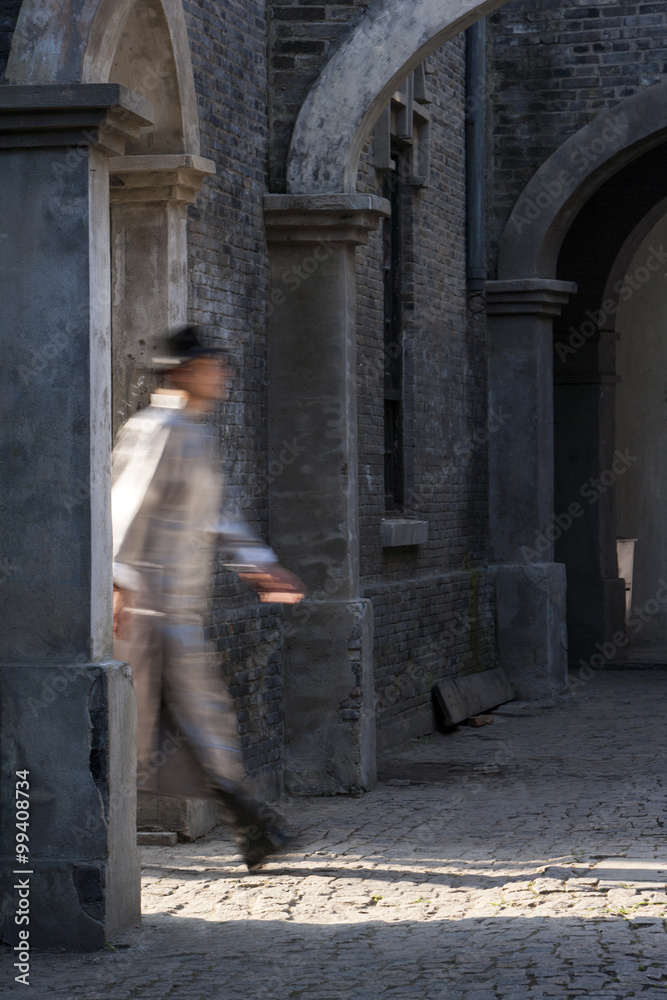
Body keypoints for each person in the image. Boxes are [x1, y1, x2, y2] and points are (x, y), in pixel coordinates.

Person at [112, 326, 304, 869]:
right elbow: (124, 504)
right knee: (151, 728)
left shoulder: (192, 432)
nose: (221, 374)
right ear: (184, 371)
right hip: (147, 608)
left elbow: (215, 516)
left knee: (198, 720)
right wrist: (121, 582)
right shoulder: (157, 430)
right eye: (212, 364)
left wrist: (260, 565)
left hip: (176, 608)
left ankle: (253, 828)